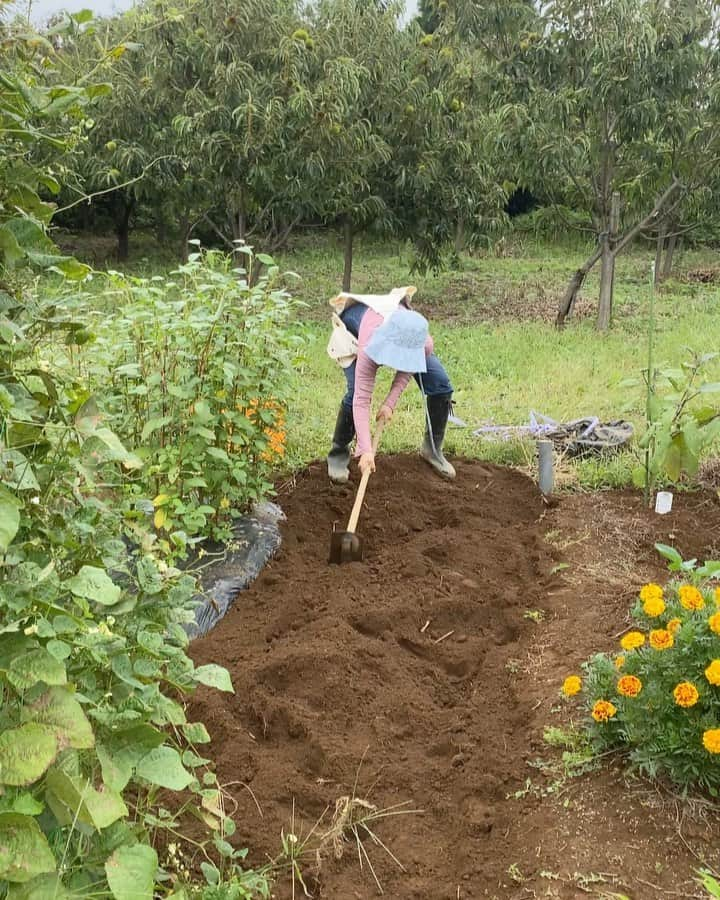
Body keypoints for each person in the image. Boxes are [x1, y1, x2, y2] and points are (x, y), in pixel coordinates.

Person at [326, 288, 455, 482]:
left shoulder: (423, 342)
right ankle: (338, 454)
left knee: (440, 385)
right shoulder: (370, 345)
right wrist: (366, 450)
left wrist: (389, 403)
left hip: (397, 325)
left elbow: (410, 365)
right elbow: (362, 400)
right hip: (356, 322)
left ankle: (432, 450)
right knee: (354, 392)